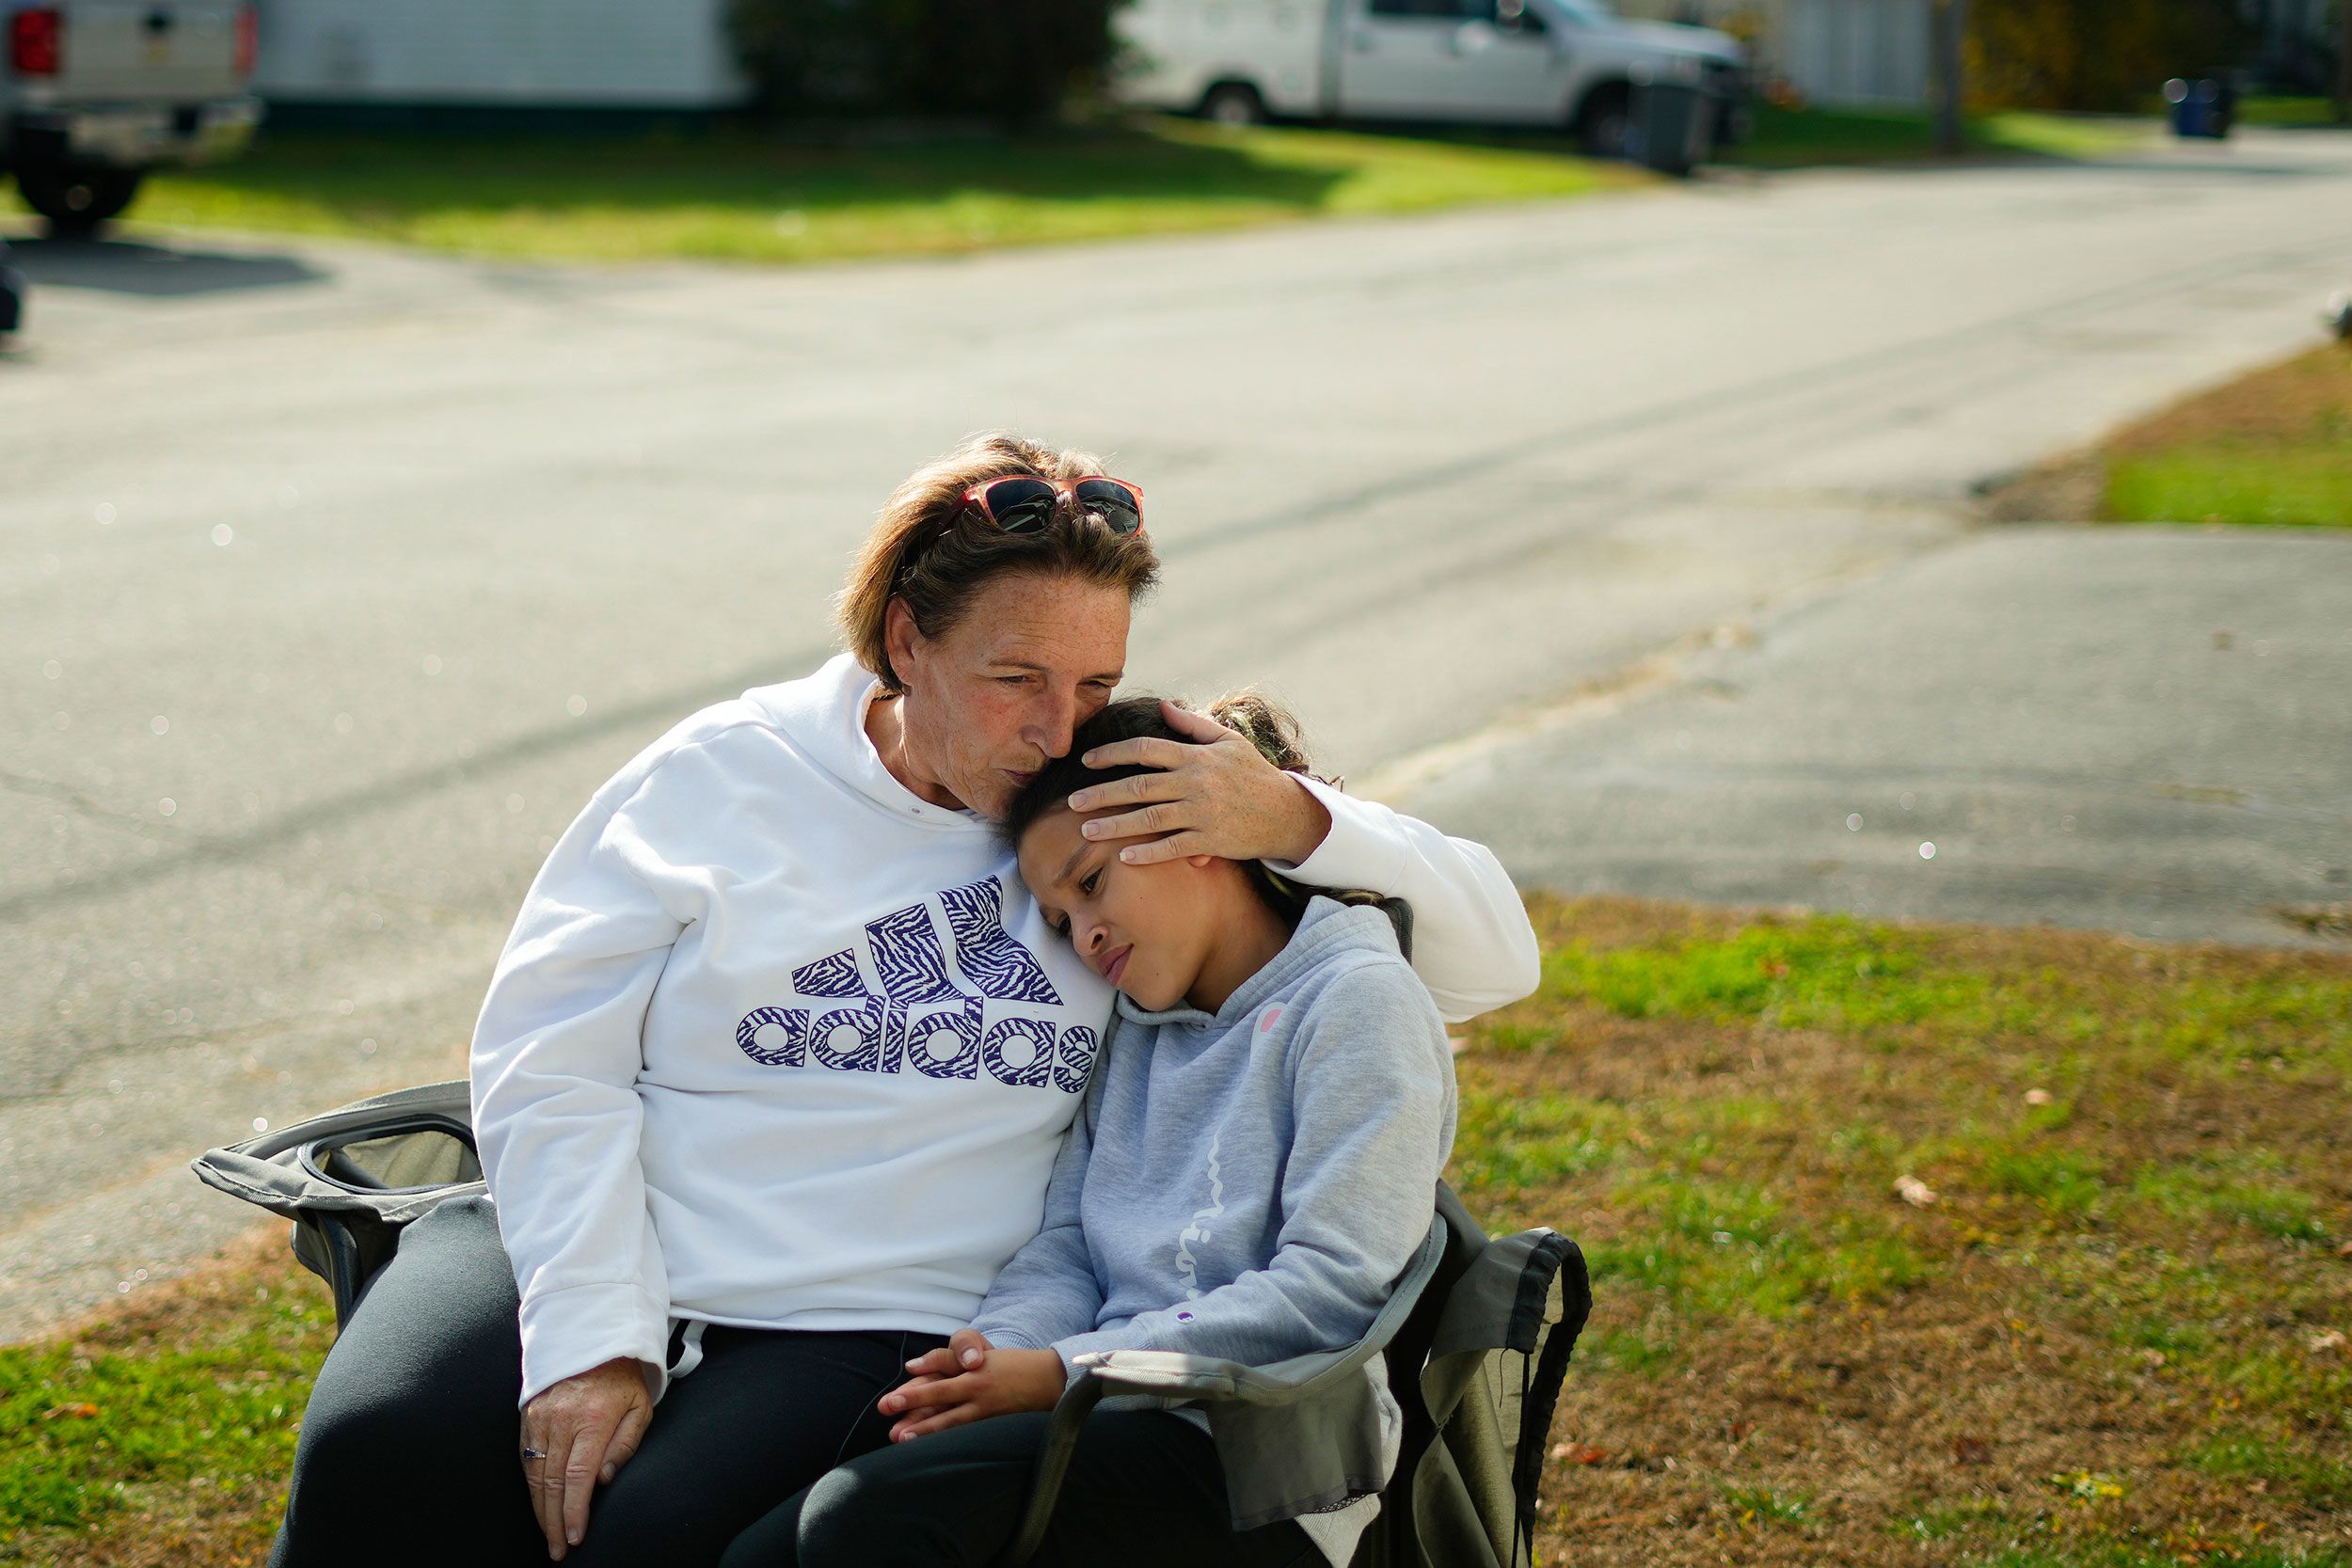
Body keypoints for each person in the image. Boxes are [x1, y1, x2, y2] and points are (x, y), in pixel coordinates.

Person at [268, 434, 1538, 1568]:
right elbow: (551, 1055)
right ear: (905, 641)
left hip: (866, 1306)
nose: (1058, 728)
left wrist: (1294, 813)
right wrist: (599, 1332)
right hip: (590, 1228)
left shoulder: (1113, 829)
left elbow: (1485, 961)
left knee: (638, 1531)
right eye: (1016, 678)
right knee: (378, 1454)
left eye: (1096, 684)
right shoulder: (723, 775)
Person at [720, 693, 1456, 1568]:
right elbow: (1070, 1244)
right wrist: (997, 1351)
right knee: (769, 1552)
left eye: (1093, 881)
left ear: (1201, 832)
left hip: (1260, 1466)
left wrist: (1066, 1371)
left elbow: (1331, 1290)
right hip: (1098, 1412)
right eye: (1061, 918)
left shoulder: (1357, 1001)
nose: (1084, 933)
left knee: (860, 1527)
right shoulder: (1139, 1027)